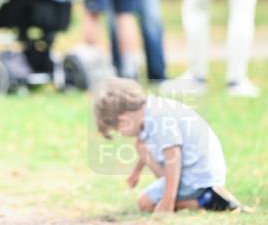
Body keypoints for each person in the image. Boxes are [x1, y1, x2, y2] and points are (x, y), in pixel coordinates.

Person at [93, 77, 240, 213]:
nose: (123, 134)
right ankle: (197, 197)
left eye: (118, 130)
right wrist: (136, 172)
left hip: (196, 177)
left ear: (124, 120)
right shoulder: (152, 109)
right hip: (200, 172)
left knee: (145, 203)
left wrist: (167, 201)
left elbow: (173, 156)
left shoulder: (159, 118)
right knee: (141, 146)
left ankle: (207, 201)